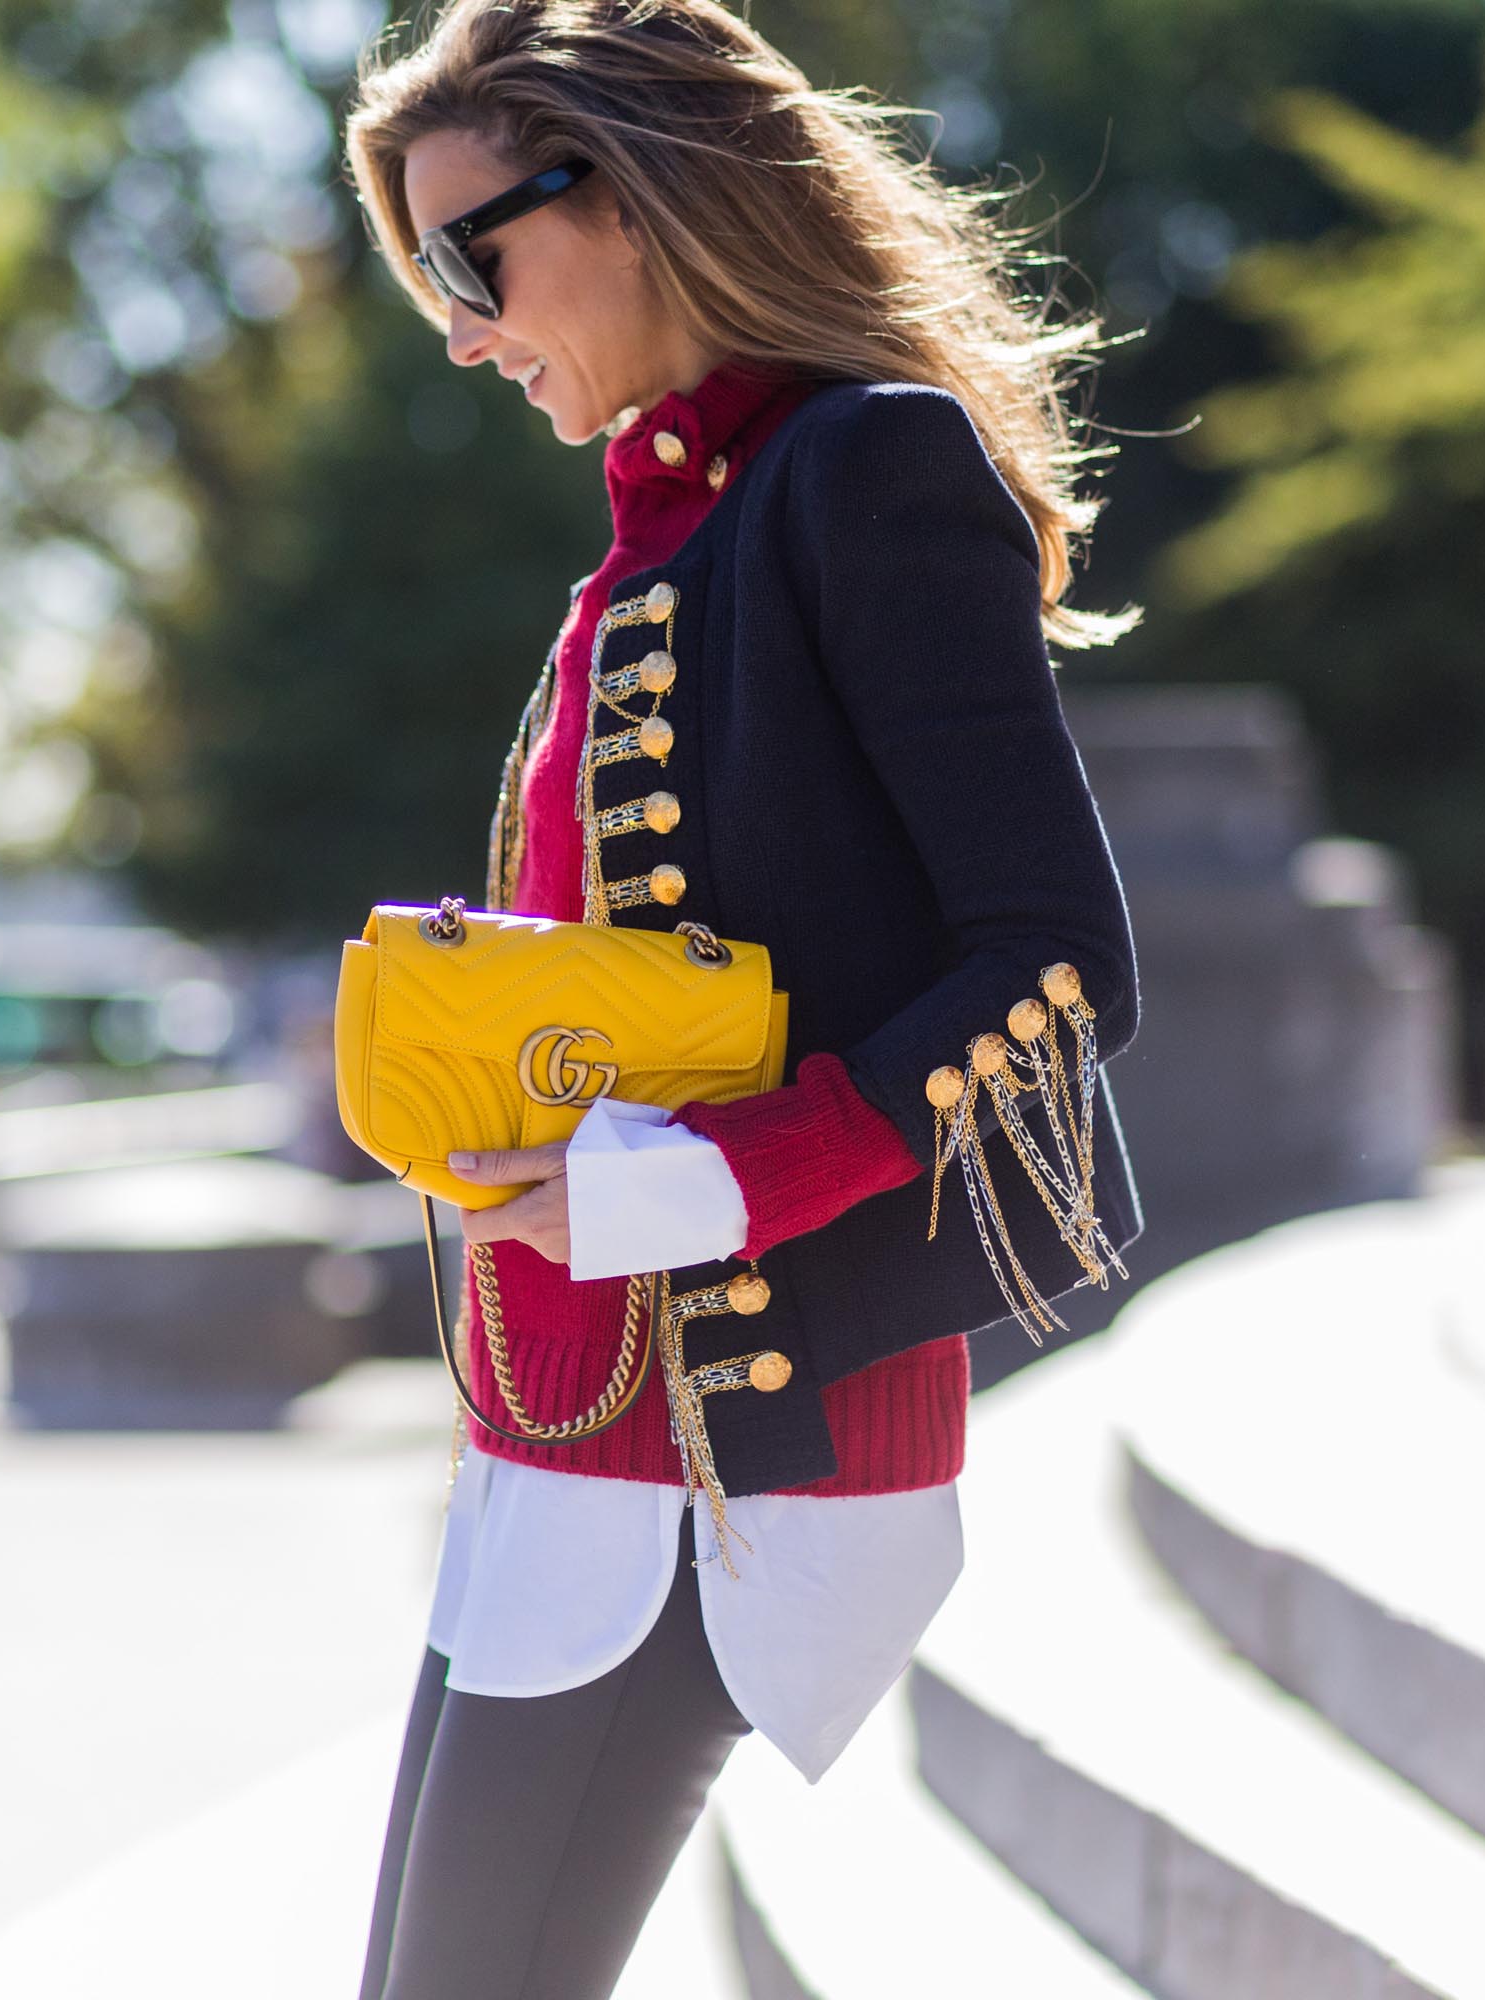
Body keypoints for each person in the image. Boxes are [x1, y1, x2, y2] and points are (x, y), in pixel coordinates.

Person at [340, 6, 1147, 1994]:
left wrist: (700, 1184)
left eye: (471, 259)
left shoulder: (867, 471)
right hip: (567, 1440)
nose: (457, 327)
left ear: (628, 197)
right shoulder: (647, 546)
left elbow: (1057, 963)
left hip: (732, 1450)